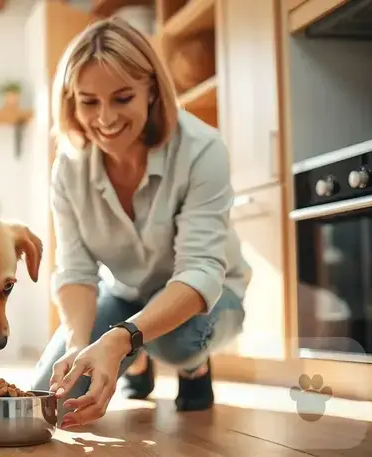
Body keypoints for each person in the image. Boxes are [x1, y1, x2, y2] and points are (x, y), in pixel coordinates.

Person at [27, 16, 252, 430]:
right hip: (127, 294)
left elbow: (200, 271)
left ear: (151, 91)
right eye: (89, 101)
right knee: (50, 400)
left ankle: (192, 367)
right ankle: (134, 355)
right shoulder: (68, 169)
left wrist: (118, 339)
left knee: (179, 340)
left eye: (122, 97)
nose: (106, 118)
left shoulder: (203, 149)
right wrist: (81, 344)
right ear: (71, 101)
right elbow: (76, 271)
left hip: (211, 299)